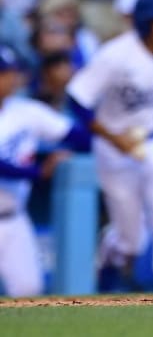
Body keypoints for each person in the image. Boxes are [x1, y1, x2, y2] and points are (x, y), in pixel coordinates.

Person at [65, 0, 153, 294]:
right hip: (115, 146)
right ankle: (113, 250)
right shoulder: (115, 55)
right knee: (133, 240)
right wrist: (114, 139)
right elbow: (77, 99)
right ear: (143, 23)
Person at [0, 45, 88, 296]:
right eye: (3, 73)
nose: (9, 79)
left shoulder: (26, 111)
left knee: (30, 290)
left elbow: (79, 137)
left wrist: (69, 154)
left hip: (14, 217)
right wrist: (38, 172)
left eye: (11, 72)